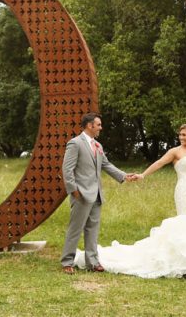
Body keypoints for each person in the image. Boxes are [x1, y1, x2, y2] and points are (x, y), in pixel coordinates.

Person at [73, 124, 186, 278]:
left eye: (184, 135)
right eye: (180, 134)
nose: (180, 137)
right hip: (183, 190)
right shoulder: (175, 152)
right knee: (185, 220)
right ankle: (184, 262)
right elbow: (159, 163)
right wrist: (143, 175)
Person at [61, 112, 137, 274]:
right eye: (99, 125)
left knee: (92, 229)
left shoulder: (98, 145)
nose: (101, 128)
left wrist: (124, 176)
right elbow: (67, 169)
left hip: (96, 195)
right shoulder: (75, 143)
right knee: (75, 228)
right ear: (90, 125)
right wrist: (73, 190)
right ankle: (67, 262)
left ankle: (93, 262)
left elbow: (107, 165)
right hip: (80, 194)